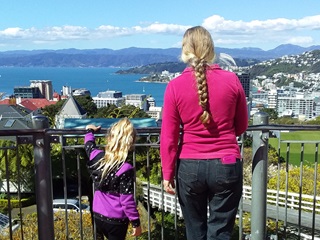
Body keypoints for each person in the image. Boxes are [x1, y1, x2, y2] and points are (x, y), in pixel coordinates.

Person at [160, 26, 248, 240]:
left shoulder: (174, 86)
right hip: (226, 163)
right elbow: (242, 125)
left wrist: (167, 173)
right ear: (211, 49)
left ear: (185, 50)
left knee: (194, 231)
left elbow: (169, 137)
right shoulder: (232, 80)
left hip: (189, 166)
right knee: (220, 232)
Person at [84, 118, 142, 240]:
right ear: (130, 144)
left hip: (98, 214)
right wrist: (136, 223)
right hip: (116, 220)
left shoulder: (97, 157)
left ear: (109, 138)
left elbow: (89, 146)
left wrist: (89, 130)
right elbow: (126, 200)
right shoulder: (125, 168)